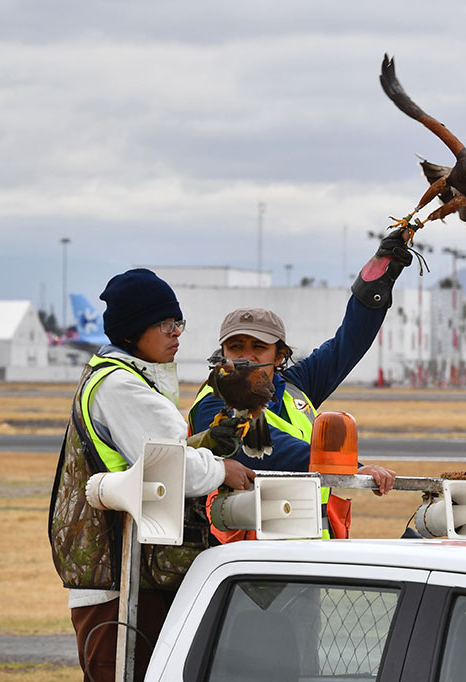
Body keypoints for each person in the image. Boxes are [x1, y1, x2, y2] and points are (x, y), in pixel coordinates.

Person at [48, 268, 255, 682]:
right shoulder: (124, 387)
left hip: (134, 576)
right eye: (164, 324)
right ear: (132, 332)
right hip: (122, 582)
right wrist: (221, 468)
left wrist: (204, 442)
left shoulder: (122, 379)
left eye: (178, 322)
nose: (176, 332)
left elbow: (150, 459)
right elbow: (172, 470)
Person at [189, 229, 413, 538]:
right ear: (223, 352)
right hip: (247, 562)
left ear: (279, 354)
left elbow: (347, 344)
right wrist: (349, 467)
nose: (247, 358)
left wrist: (375, 282)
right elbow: (265, 449)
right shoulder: (214, 399)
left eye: (259, 347)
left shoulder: (295, 385)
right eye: (236, 347)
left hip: (309, 555)